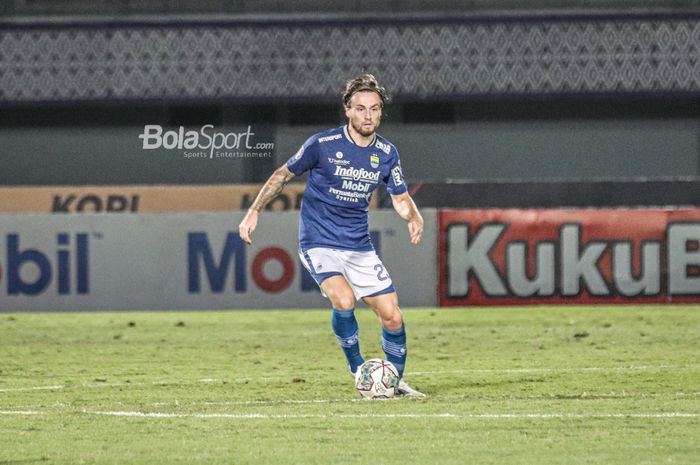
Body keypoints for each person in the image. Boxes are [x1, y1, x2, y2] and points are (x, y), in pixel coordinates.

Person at [238, 74, 425, 397]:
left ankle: (392, 382)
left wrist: (413, 216)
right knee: (343, 299)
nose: (368, 116)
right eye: (361, 109)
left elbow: (399, 197)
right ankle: (359, 373)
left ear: (381, 113)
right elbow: (282, 175)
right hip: (318, 241)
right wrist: (254, 210)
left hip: (358, 246)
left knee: (393, 317)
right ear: (347, 111)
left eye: (375, 109)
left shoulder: (387, 152)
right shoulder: (322, 145)